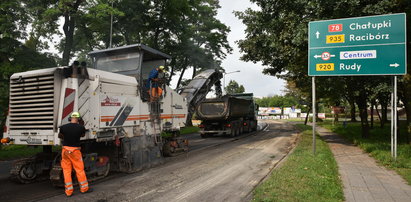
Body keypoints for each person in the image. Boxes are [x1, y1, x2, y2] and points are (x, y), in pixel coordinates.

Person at [58, 112, 92, 197]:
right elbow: (83, 135)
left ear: (70, 118)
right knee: (79, 170)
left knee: (66, 170)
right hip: (75, 151)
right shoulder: (81, 128)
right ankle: (84, 189)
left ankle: (68, 191)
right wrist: (81, 125)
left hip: (65, 150)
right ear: (78, 119)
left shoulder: (63, 127)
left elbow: (60, 136)